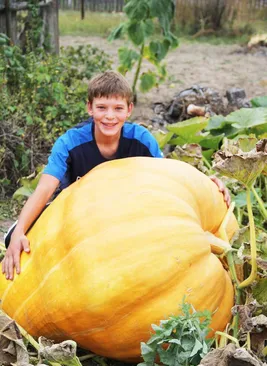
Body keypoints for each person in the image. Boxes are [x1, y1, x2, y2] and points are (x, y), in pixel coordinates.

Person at [2, 71, 230, 281]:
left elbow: (170, 179)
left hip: (125, 216)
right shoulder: (70, 142)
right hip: (75, 217)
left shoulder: (141, 139)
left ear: (129, 110)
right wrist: (20, 230)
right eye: (101, 108)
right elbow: (44, 189)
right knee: (13, 237)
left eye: (118, 109)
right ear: (89, 108)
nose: (109, 116)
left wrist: (204, 184)